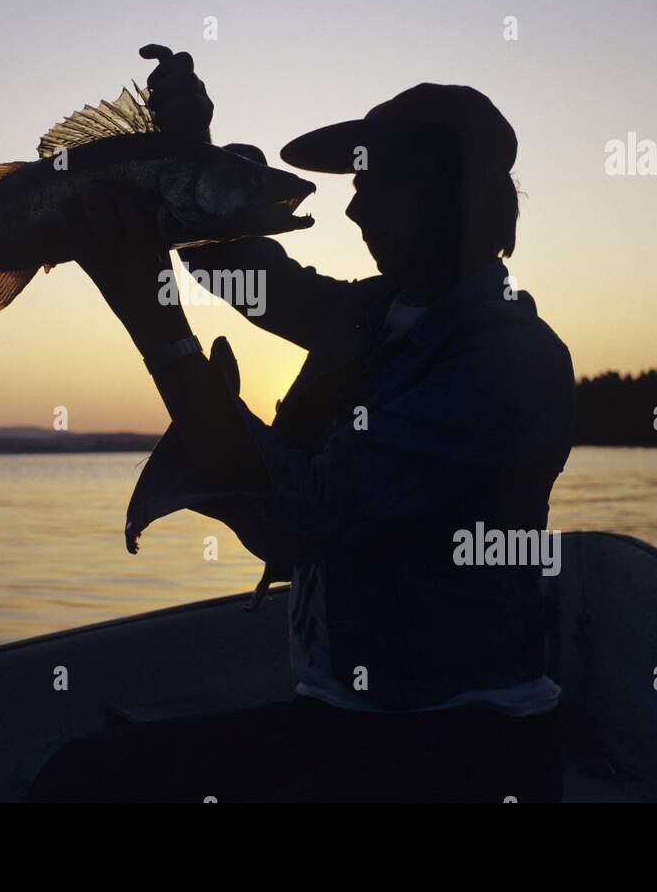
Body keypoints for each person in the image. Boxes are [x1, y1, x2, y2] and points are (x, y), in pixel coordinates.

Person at [29, 47, 576, 802]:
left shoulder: (511, 364)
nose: (351, 210)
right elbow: (232, 268)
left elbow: (305, 518)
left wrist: (157, 329)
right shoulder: (368, 314)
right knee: (78, 781)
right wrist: (190, 155)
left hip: (475, 740)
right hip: (338, 715)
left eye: (372, 186)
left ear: (447, 196)